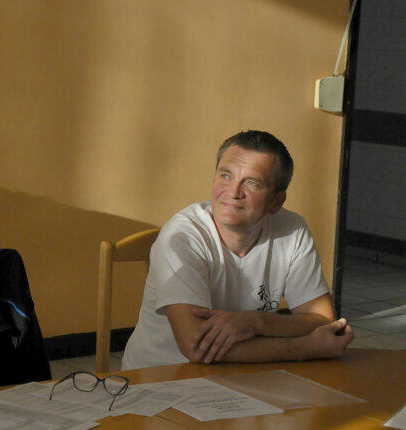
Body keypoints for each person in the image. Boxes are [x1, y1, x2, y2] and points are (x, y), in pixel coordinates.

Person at [122, 130, 354, 370]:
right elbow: (197, 347)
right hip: (160, 378)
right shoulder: (182, 237)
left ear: (277, 201)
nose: (233, 193)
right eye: (226, 176)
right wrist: (306, 347)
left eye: (252, 183)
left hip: (242, 375)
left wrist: (256, 322)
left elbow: (323, 319)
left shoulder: (292, 230)